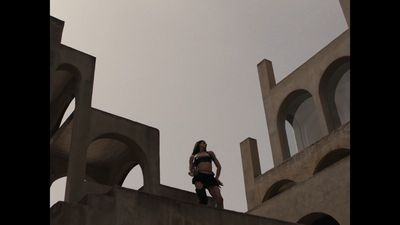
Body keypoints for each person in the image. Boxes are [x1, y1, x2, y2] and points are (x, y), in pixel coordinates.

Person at [188, 140, 224, 209]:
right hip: (199, 176)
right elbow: (191, 169)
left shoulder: (210, 153)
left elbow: (219, 166)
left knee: (220, 199)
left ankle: (219, 214)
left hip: (210, 177)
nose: (205, 144)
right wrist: (193, 172)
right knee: (203, 198)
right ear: (199, 144)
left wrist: (216, 178)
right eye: (203, 143)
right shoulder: (193, 156)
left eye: (205, 143)